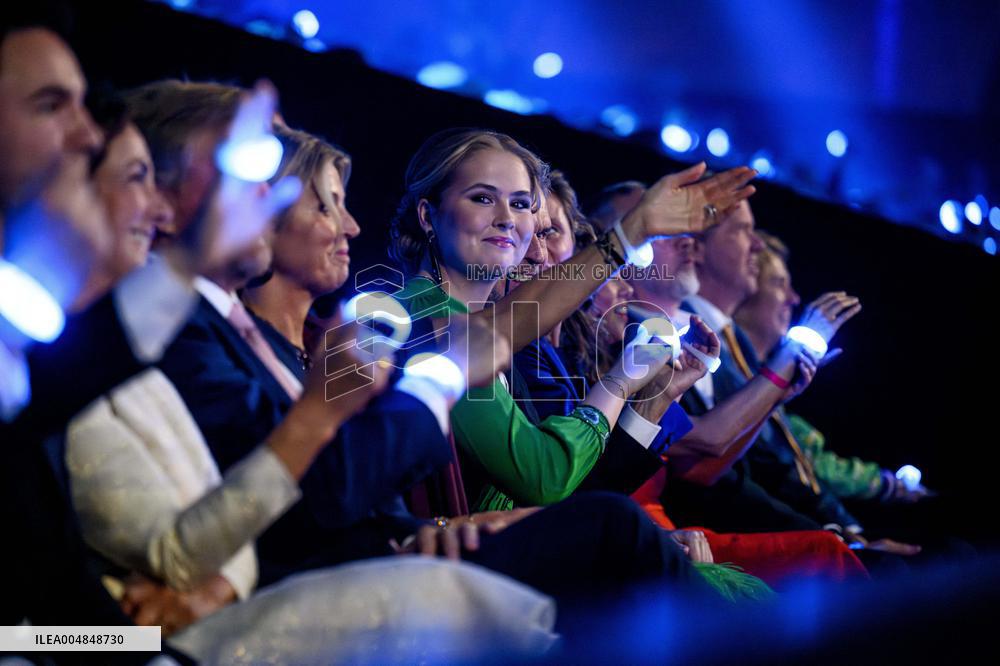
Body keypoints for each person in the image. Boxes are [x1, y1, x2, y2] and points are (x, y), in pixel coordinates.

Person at [64, 101, 558, 661]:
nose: (349, 226)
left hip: (338, 582)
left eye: (523, 204)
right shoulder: (124, 348)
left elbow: (265, 513)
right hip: (154, 638)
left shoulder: (252, 341)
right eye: (320, 204)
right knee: (601, 539)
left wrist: (431, 530)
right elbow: (270, 516)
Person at [535, 175, 867, 586]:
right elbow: (702, 449)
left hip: (641, 524)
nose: (686, 240)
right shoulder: (616, 341)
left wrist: (773, 393)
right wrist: (780, 370)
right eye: (650, 230)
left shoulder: (653, 340)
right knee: (826, 558)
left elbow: (703, 462)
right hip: (621, 531)